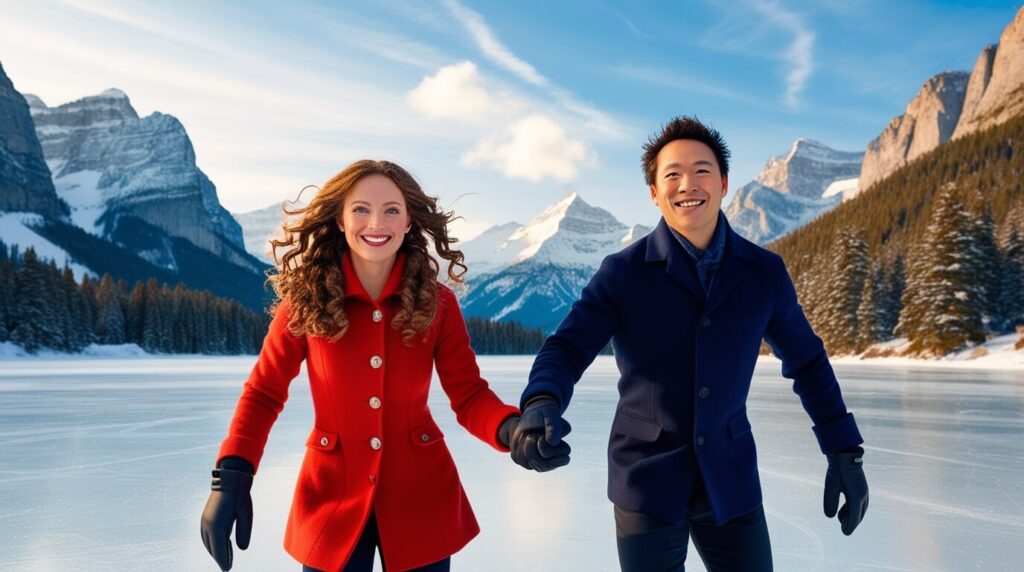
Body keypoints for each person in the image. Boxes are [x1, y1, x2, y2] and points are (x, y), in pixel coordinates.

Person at [509, 117, 869, 571]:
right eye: (671, 174)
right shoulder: (623, 273)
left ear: (723, 183)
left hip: (731, 475)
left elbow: (808, 362)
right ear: (655, 193)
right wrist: (541, 402)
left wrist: (844, 451)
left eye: (701, 171)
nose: (687, 184)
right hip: (646, 481)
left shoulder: (763, 274)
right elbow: (567, 348)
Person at [200, 160, 520, 572]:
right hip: (331, 498)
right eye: (361, 209)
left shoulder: (438, 303)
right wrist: (232, 474)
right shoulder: (303, 301)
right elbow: (264, 393)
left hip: (420, 496)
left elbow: (470, 395)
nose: (376, 222)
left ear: (409, 222)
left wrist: (510, 429)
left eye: (391, 209)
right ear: (339, 218)